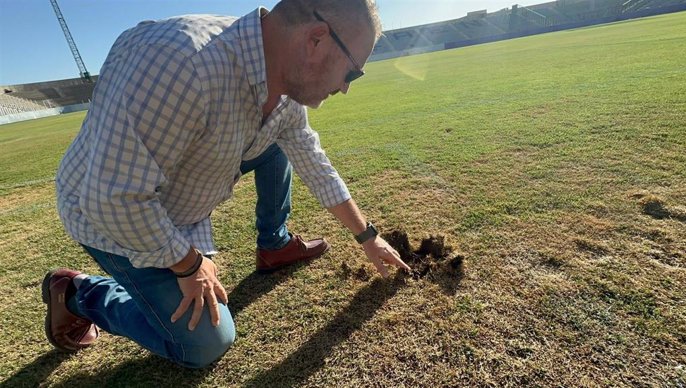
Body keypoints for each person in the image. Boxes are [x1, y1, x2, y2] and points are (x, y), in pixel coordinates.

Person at [42, 0, 411, 369]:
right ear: (317, 39)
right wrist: (187, 264)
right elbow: (111, 198)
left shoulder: (282, 83)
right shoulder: (182, 65)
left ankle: (274, 242)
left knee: (278, 141)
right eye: (352, 73)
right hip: (112, 216)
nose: (346, 87)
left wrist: (367, 235)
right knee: (205, 342)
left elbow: (312, 159)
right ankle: (78, 294)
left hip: (169, 198)